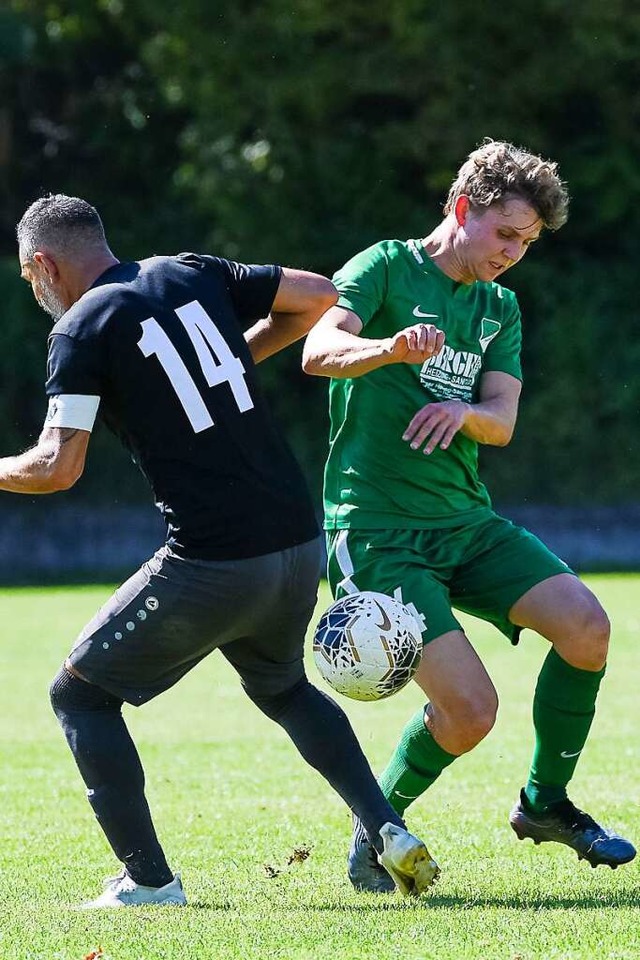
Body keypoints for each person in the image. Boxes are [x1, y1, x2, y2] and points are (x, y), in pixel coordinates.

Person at [5, 194, 439, 908]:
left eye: (30, 280)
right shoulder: (189, 269)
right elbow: (317, 296)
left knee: (78, 695)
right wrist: (234, 357)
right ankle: (386, 826)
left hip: (214, 560)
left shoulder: (80, 330)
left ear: (44, 264)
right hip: (298, 543)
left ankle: (149, 882)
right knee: (282, 688)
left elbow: (57, 466)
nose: (36, 293)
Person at [301, 140, 636, 893]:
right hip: (377, 529)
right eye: (505, 235)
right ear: (463, 208)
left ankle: (545, 804)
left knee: (587, 628)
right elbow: (318, 350)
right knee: (471, 713)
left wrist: (464, 413)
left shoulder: (499, 306)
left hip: (466, 523)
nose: (514, 253)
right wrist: (388, 348)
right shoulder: (385, 267)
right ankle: (378, 824)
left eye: (526, 242)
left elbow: (503, 418)